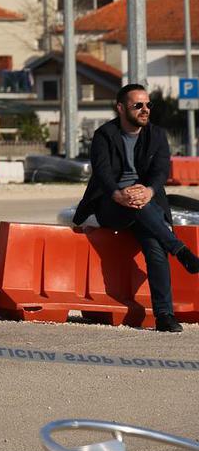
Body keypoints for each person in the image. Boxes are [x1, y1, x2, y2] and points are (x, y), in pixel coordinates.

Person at [74, 83, 199, 332]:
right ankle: (180, 250)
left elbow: (161, 170)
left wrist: (149, 191)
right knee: (139, 209)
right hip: (111, 205)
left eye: (148, 105)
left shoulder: (157, 135)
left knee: (154, 245)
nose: (145, 110)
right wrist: (118, 194)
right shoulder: (104, 135)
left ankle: (164, 315)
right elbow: (102, 172)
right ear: (120, 108)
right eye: (138, 105)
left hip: (146, 202)